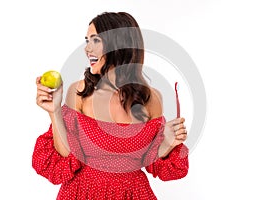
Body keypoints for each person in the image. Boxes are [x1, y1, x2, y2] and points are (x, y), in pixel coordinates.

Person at [33, 12, 189, 200]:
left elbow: (151, 160)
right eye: (87, 41)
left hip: (132, 194)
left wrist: (168, 141)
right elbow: (66, 156)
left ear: (119, 44)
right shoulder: (79, 92)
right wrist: (55, 111)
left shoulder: (151, 99)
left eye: (96, 41)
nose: (87, 49)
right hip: (82, 193)